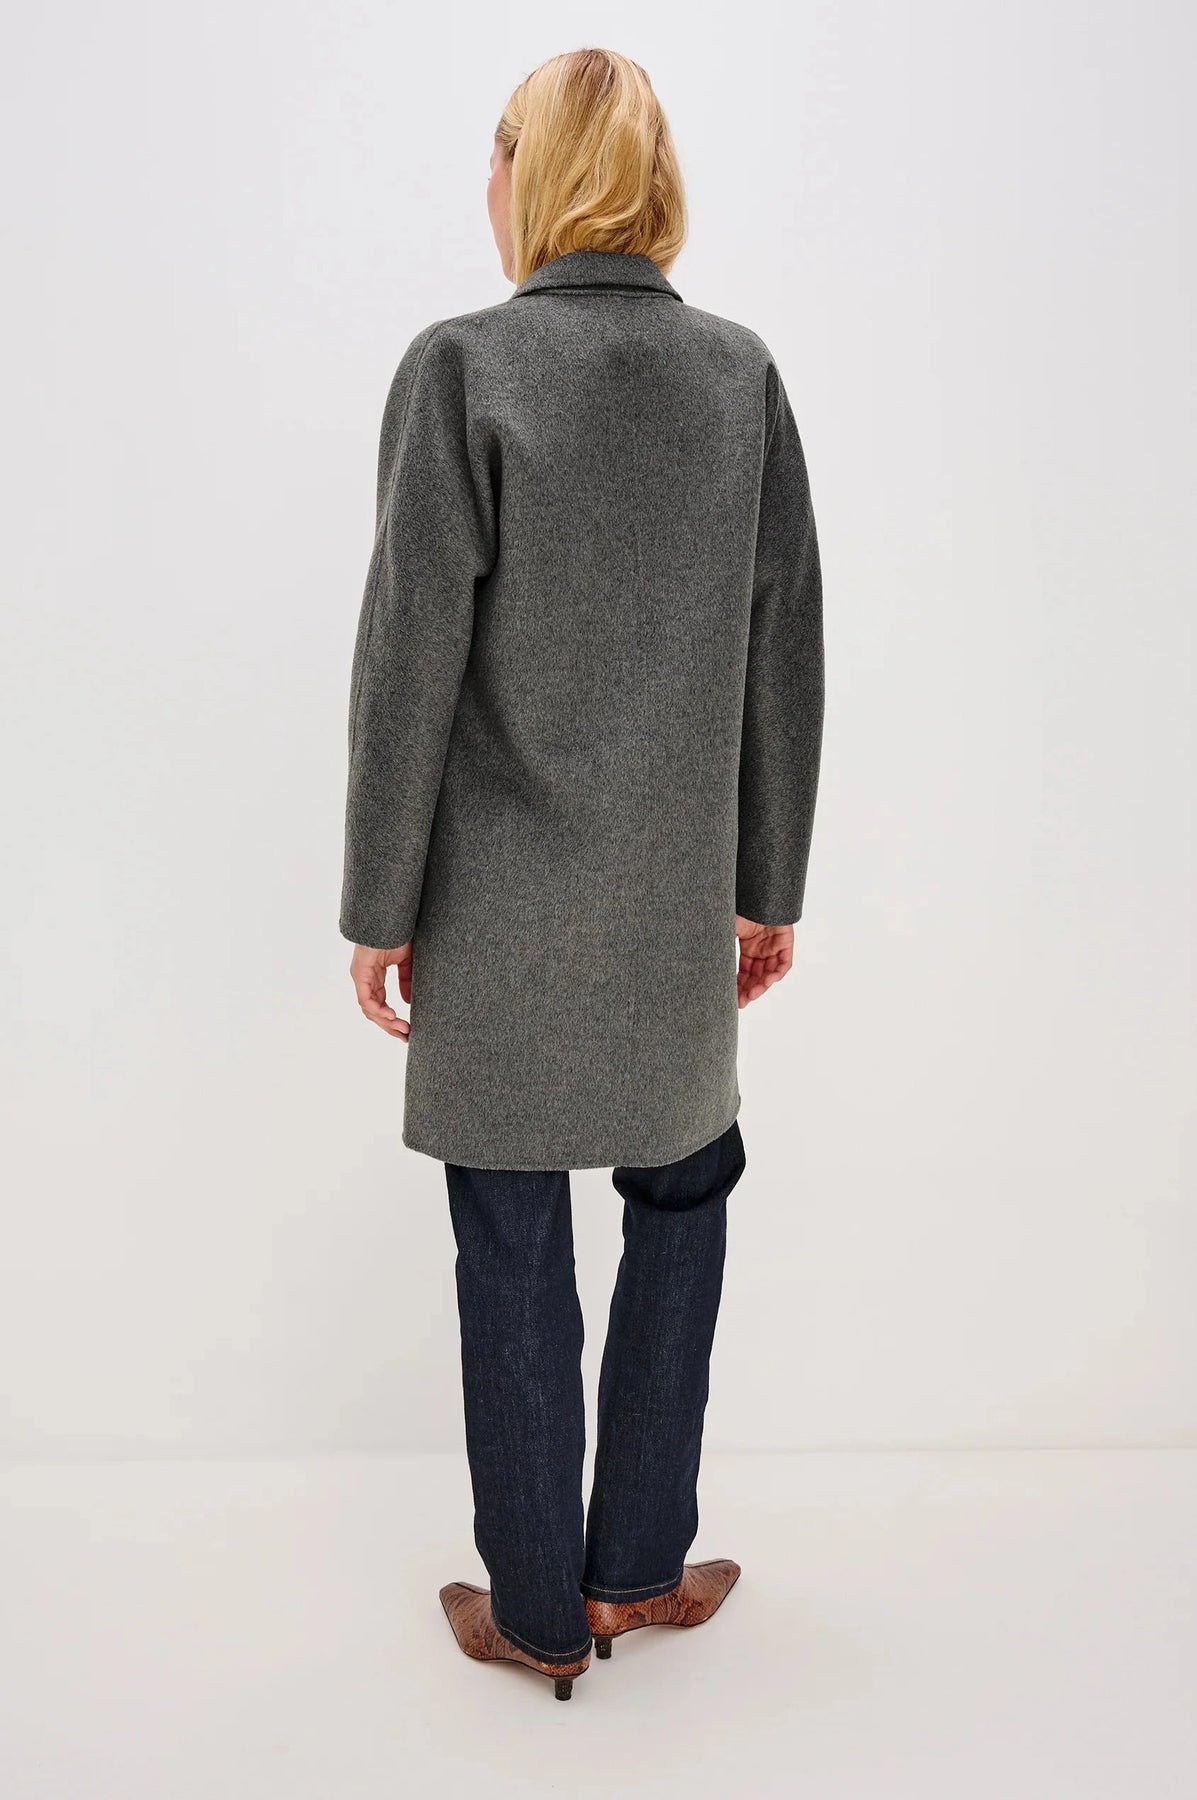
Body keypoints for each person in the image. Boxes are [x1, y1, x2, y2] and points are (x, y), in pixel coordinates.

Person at [340, 47, 824, 1702]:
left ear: (527, 177)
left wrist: (379, 903)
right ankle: (635, 1569)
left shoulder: (462, 368)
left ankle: (543, 1608)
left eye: (494, 159)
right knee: (683, 1192)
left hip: (496, 905)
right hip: (669, 901)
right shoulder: (736, 375)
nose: (484, 188)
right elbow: (782, 646)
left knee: (508, 1227)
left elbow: (408, 657)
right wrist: (767, 881)